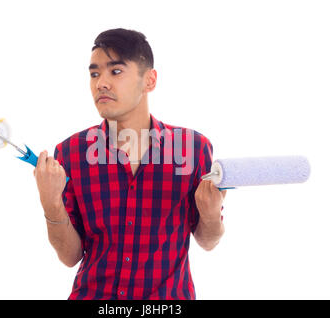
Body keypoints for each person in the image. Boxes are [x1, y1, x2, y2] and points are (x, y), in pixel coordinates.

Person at [33, 28, 226, 300]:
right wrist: (51, 203)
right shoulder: (71, 153)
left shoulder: (192, 149)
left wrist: (210, 213)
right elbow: (70, 256)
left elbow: (208, 240)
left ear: (150, 80)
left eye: (116, 71)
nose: (101, 83)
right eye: (94, 73)